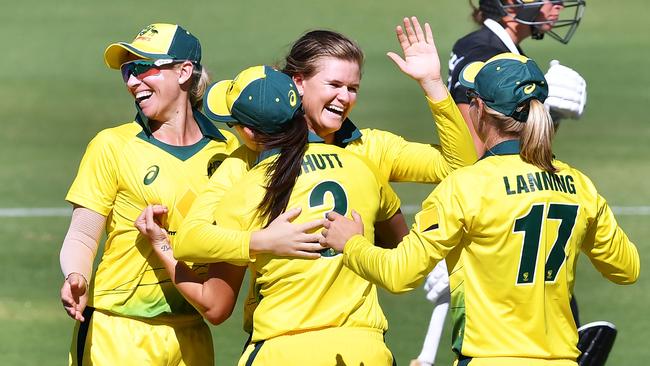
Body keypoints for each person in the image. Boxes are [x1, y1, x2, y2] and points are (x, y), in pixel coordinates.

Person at [321, 53, 640, 366]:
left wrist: (351, 243)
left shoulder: (465, 186)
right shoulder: (580, 185)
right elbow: (626, 270)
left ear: (479, 109)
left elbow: (398, 275)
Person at [58, 23, 240, 365]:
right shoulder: (112, 145)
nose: (131, 81)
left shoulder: (228, 151)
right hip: (117, 332)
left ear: (184, 71)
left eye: (143, 68)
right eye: (128, 71)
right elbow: (83, 232)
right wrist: (76, 275)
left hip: (192, 333)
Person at [198, 64, 404, 365]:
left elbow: (198, 261)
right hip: (364, 348)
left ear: (250, 133)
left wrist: (163, 244)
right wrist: (356, 248)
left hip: (282, 349)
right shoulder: (363, 167)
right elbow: (400, 253)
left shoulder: (249, 187)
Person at [449, 0, 587, 155]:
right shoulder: (485, 54)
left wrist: (548, 119)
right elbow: (474, 153)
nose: (559, 5)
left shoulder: (486, 46)